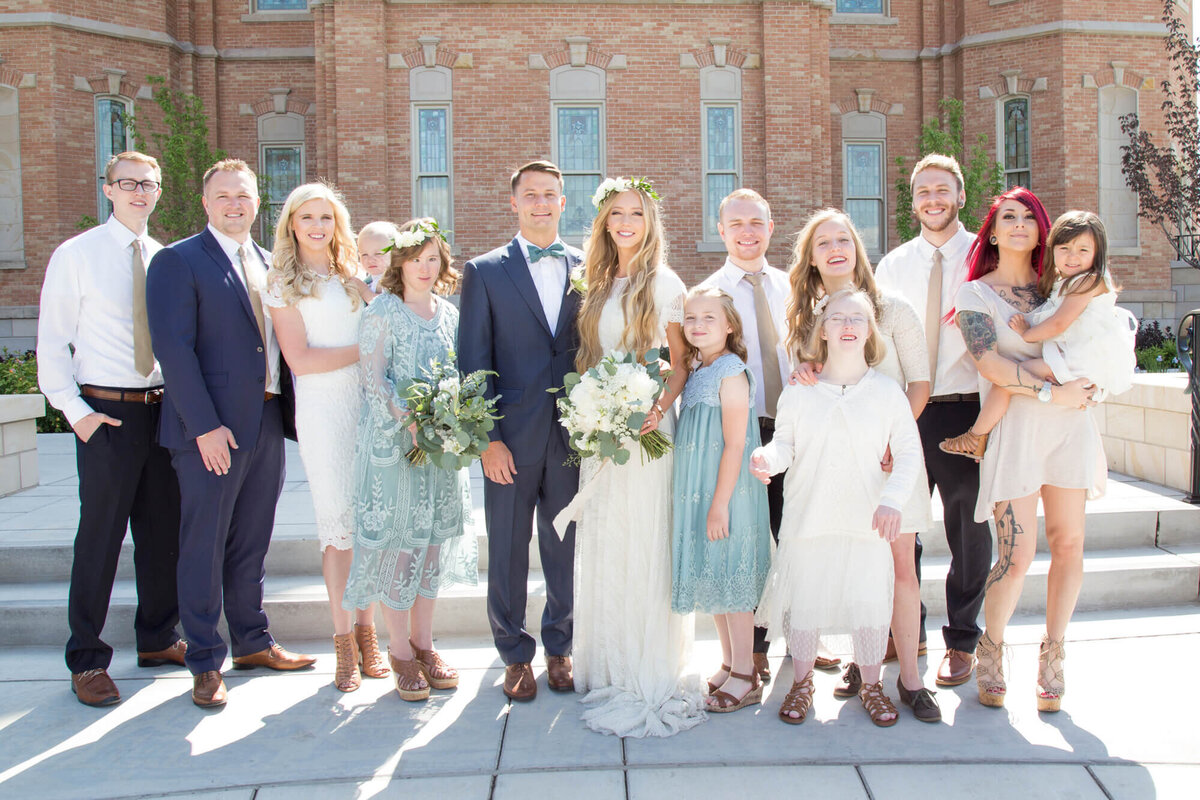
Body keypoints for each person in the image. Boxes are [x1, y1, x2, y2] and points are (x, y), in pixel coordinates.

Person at [147, 158, 314, 710]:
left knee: (251, 540)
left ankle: (252, 641)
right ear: (205, 203)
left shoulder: (271, 265)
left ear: (258, 202)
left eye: (243, 196)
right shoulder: (178, 261)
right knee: (203, 543)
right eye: (223, 197)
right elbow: (174, 350)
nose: (234, 205)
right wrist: (205, 428)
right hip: (211, 431)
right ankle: (203, 659)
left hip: (266, 419)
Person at [37, 151, 184, 707]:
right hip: (107, 414)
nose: (140, 193)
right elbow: (51, 342)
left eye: (149, 184)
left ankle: (156, 637)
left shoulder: (164, 257)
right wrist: (77, 415)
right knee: (99, 537)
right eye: (128, 184)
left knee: (160, 533)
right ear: (108, 189)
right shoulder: (76, 255)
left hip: (160, 410)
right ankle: (87, 659)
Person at [786, 209, 940, 722]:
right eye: (822, 242)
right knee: (853, 567)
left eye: (843, 239)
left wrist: (894, 443)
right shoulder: (806, 318)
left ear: (858, 248)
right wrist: (805, 368)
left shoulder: (892, 310)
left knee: (899, 569)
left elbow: (918, 382)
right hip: (837, 471)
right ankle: (863, 668)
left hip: (890, 462)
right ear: (810, 257)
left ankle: (911, 681)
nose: (835, 249)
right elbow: (809, 379)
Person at [565, 176, 705, 738]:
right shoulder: (595, 281)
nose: (626, 222)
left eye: (636, 213)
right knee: (607, 541)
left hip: (647, 433)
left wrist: (654, 408)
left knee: (643, 538)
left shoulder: (664, 281)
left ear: (650, 223)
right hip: (600, 430)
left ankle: (645, 663)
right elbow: (590, 357)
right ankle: (606, 662)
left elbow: (679, 361)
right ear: (602, 222)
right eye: (616, 213)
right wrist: (592, 410)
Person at [953, 188, 1102, 712]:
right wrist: (1048, 390)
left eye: (1028, 218)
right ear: (991, 231)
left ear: (1043, 230)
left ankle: (1054, 655)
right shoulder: (975, 295)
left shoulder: (1065, 287)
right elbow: (988, 365)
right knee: (1015, 557)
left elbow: (1099, 344)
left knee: (1069, 544)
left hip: (1070, 430)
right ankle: (991, 648)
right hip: (1015, 432)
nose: (1018, 225)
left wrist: (1091, 384)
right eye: (1007, 217)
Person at [750, 289, 921, 727]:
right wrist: (766, 459)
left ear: (869, 331)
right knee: (806, 602)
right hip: (809, 516)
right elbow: (785, 444)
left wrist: (891, 501)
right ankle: (802, 682)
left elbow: (907, 454)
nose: (847, 325)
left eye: (857, 319)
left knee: (868, 603)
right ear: (822, 331)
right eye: (838, 318)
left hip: (866, 521)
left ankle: (872, 684)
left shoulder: (887, 393)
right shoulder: (800, 392)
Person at [697, 189, 840, 682]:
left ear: (772, 226)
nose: (746, 232)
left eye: (755, 222)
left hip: (797, 430)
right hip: (740, 433)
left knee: (797, 534)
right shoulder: (708, 295)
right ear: (721, 231)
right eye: (736, 224)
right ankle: (751, 649)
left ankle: (806, 634)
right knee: (749, 543)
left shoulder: (797, 288)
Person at [457, 161, 581, 702]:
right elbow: (471, 362)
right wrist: (487, 439)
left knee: (566, 547)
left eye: (549, 194)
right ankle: (513, 652)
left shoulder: (589, 265)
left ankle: (560, 646)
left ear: (562, 201)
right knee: (508, 548)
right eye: (530, 195)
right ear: (514, 203)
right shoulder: (484, 271)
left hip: (574, 437)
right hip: (509, 438)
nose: (540, 203)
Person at [343, 218, 478, 702]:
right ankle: (399, 649)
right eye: (416, 259)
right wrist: (408, 415)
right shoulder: (382, 310)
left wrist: (454, 417)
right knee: (400, 546)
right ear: (399, 263)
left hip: (440, 449)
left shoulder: (449, 313)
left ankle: (425, 643)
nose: (425, 267)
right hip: (394, 446)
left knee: (434, 546)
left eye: (433, 258)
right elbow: (373, 378)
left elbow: (459, 373)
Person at [873, 154, 991, 689]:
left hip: (967, 406)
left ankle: (962, 639)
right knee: (900, 527)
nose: (933, 199)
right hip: (905, 410)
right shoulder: (893, 264)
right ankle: (908, 633)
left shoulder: (986, 256)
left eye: (942, 190)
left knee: (968, 527)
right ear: (913, 200)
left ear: (960, 197)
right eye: (923, 191)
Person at [261, 183, 383, 692]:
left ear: (338, 225)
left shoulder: (354, 275)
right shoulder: (281, 285)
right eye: (306, 217)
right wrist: (364, 348)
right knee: (339, 533)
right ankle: (342, 646)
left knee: (371, 528)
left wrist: (370, 295)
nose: (317, 226)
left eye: (326, 218)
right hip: (324, 411)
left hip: (370, 407)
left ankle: (369, 635)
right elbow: (301, 361)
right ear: (291, 224)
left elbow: (391, 325)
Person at [940, 210, 1135, 458]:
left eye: (1083, 251)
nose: (1072, 257)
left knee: (1006, 382)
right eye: (1064, 248)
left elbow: (1058, 324)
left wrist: (1027, 333)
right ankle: (976, 437)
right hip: (1069, 370)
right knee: (1006, 380)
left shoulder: (1086, 281)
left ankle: (975, 436)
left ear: (1098, 254)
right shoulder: (1064, 282)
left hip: (1077, 363)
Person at [671, 286, 772, 714]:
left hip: (727, 493)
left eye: (709, 318)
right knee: (713, 574)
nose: (697, 325)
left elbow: (734, 444)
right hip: (700, 491)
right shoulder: (699, 369)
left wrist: (719, 504)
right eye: (691, 318)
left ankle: (747, 675)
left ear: (729, 326)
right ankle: (730, 661)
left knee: (732, 581)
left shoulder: (731, 371)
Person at [357, 220, 399, 293]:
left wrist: (364, 291)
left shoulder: (394, 281)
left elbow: (384, 303)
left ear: (395, 253)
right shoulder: (369, 280)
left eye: (378, 254)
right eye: (364, 255)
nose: (370, 260)